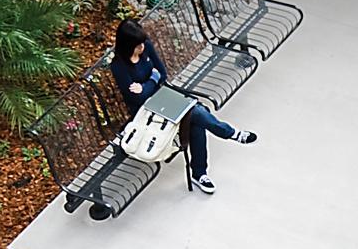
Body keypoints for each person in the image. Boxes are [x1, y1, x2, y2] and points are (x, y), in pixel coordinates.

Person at [109, 20, 258, 194]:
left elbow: (162, 74)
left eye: (142, 42)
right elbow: (136, 97)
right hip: (146, 110)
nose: (142, 47)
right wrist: (152, 79)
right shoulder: (119, 66)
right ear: (127, 45)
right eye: (137, 45)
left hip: (165, 97)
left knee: (196, 118)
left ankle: (202, 171)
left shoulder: (146, 47)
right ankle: (220, 146)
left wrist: (146, 84)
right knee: (197, 116)